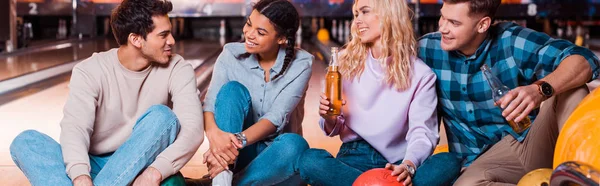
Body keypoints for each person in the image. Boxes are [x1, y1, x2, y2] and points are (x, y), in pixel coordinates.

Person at [9, 0, 204, 185]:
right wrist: (80, 176)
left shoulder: (177, 68)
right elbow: (75, 129)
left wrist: (155, 171)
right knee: (25, 142)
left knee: (163, 117)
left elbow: (192, 130)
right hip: (92, 163)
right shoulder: (90, 70)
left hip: (141, 164)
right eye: (163, 35)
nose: (172, 40)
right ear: (135, 39)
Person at [417, 0, 600, 184]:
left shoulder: (511, 40)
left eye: (454, 23)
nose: (442, 27)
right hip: (478, 165)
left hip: (528, 144)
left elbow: (585, 59)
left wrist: (539, 89)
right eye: (442, 16)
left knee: (572, 89)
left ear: (483, 25)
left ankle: (581, 178)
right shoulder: (427, 49)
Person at [296, 0, 460, 185]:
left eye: (365, 12)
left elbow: (423, 133)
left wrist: (408, 165)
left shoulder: (421, 74)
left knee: (448, 162)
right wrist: (328, 117)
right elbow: (335, 127)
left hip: (399, 162)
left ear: (388, 15)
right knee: (310, 160)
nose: (357, 20)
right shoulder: (343, 63)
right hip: (354, 155)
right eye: (356, 14)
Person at [200, 0, 313, 185]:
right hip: (235, 157)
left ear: (282, 38)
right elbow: (210, 104)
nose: (249, 34)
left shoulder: (301, 64)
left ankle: (224, 181)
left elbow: (276, 118)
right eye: (248, 24)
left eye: (260, 32)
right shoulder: (230, 55)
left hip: (278, 160)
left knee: (296, 145)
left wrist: (233, 142)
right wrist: (216, 140)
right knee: (231, 91)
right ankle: (222, 179)